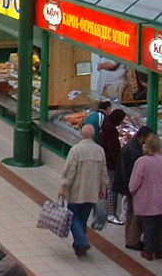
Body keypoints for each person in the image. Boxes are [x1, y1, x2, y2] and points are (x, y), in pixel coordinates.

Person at [60, 123, 109, 258]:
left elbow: (70, 171)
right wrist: (103, 188)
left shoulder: (76, 150)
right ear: (93, 135)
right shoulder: (99, 151)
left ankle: (81, 241)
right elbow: (104, 172)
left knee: (72, 217)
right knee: (82, 218)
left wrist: (64, 187)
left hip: (76, 190)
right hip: (92, 191)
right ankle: (79, 246)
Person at [116, 126, 153, 251]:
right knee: (135, 215)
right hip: (133, 188)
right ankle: (132, 240)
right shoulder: (136, 152)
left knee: (131, 213)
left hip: (127, 186)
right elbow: (135, 173)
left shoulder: (130, 146)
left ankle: (130, 238)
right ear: (143, 137)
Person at [130, 133, 162, 260]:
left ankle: (148, 251)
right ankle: (159, 249)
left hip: (146, 198)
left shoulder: (142, 162)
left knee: (148, 226)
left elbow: (135, 182)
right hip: (160, 198)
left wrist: (132, 191)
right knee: (160, 226)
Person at [101, 107, 126, 224]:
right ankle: (111, 213)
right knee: (112, 188)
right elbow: (113, 151)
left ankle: (104, 211)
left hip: (105, 162)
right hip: (111, 164)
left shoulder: (106, 127)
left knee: (107, 187)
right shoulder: (111, 132)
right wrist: (118, 164)